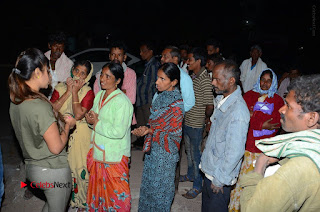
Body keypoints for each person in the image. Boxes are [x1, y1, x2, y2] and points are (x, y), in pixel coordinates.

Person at [8, 48, 76, 212]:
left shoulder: (16, 99)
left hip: (32, 171)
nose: (51, 76)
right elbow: (56, 147)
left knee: (52, 206)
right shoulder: (39, 106)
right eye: (47, 71)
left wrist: (67, 92)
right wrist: (67, 126)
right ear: (37, 72)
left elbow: (46, 113)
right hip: (53, 172)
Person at [240, 74, 320, 211]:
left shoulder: (296, 168)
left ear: (311, 118)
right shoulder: (308, 147)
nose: (281, 110)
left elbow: (252, 209)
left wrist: (260, 165)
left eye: (288, 106)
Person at [229, 69, 284, 212]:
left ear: (273, 83)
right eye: (263, 79)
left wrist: (253, 115)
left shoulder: (277, 101)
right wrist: (261, 123)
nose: (265, 83)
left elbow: (275, 124)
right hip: (246, 147)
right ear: (259, 80)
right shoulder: (249, 95)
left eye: (268, 80)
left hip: (264, 150)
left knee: (258, 185)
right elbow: (241, 117)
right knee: (241, 183)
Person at [132, 62, 184, 211]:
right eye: (157, 78)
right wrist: (146, 129)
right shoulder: (160, 97)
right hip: (154, 151)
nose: (157, 82)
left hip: (165, 156)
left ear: (173, 82)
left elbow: (174, 136)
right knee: (149, 188)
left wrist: (150, 131)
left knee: (161, 191)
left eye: (162, 79)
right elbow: (154, 123)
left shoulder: (176, 105)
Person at [200, 59, 250, 212]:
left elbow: (234, 152)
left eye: (217, 79)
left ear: (231, 81)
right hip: (210, 173)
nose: (213, 83)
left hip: (218, 180)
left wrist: (220, 180)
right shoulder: (222, 100)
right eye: (212, 78)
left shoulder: (238, 112)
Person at [85, 62, 133, 212]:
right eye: (101, 75)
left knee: (118, 197)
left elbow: (118, 132)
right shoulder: (99, 95)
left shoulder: (123, 102)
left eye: (108, 76)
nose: (102, 79)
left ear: (118, 81)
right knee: (99, 196)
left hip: (114, 156)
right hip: (99, 151)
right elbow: (94, 116)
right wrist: (90, 118)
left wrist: (96, 122)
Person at [50, 60, 94, 210]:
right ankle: (65, 199)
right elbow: (52, 110)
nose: (78, 76)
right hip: (59, 132)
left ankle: (82, 201)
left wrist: (75, 92)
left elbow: (79, 114)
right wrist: (68, 91)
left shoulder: (87, 91)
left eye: (83, 73)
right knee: (63, 169)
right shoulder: (61, 87)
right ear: (72, 70)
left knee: (79, 168)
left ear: (87, 76)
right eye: (76, 71)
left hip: (80, 135)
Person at [158, 45, 195, 192]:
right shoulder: (163, 74)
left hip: (173, 124)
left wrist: (172, 115)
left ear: (175, 59)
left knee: (172, 157)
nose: (161, 59)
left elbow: (189, 102)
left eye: (165, 56)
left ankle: (170, 191)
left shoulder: (183, 78)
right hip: (160, 123)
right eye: (161, 56)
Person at [180, 47, 214, 199]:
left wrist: (205, 120)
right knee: (189, 151)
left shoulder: (204, 79)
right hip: (188, 120)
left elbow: (210, 105)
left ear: (199, 61)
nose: (187, 63)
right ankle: (190, 175)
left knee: (196, 154)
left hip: (196, 123)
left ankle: (197, 185)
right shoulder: (193, 77)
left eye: (190, 60)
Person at [92, 40, 137, 125]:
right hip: (104, 118)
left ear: (124, 57)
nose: (116, 58)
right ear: (109, 56)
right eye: (113, 54)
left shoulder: (130, 74)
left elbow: (131, 99)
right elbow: (97, 98)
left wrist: (108, 94)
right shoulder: (101, 74)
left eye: (119, 55)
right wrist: (122, 92)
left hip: (124, 118)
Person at [134, 41, 161, 147]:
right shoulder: (147, 64)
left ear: (150, 52)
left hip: (148, 99)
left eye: (143, 51)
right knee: (141, 122)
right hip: (142, 99)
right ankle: (142, 143)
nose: (141, 53)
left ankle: (151, 144)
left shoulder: (154, 65)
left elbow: (154, 84)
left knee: (149, 124)